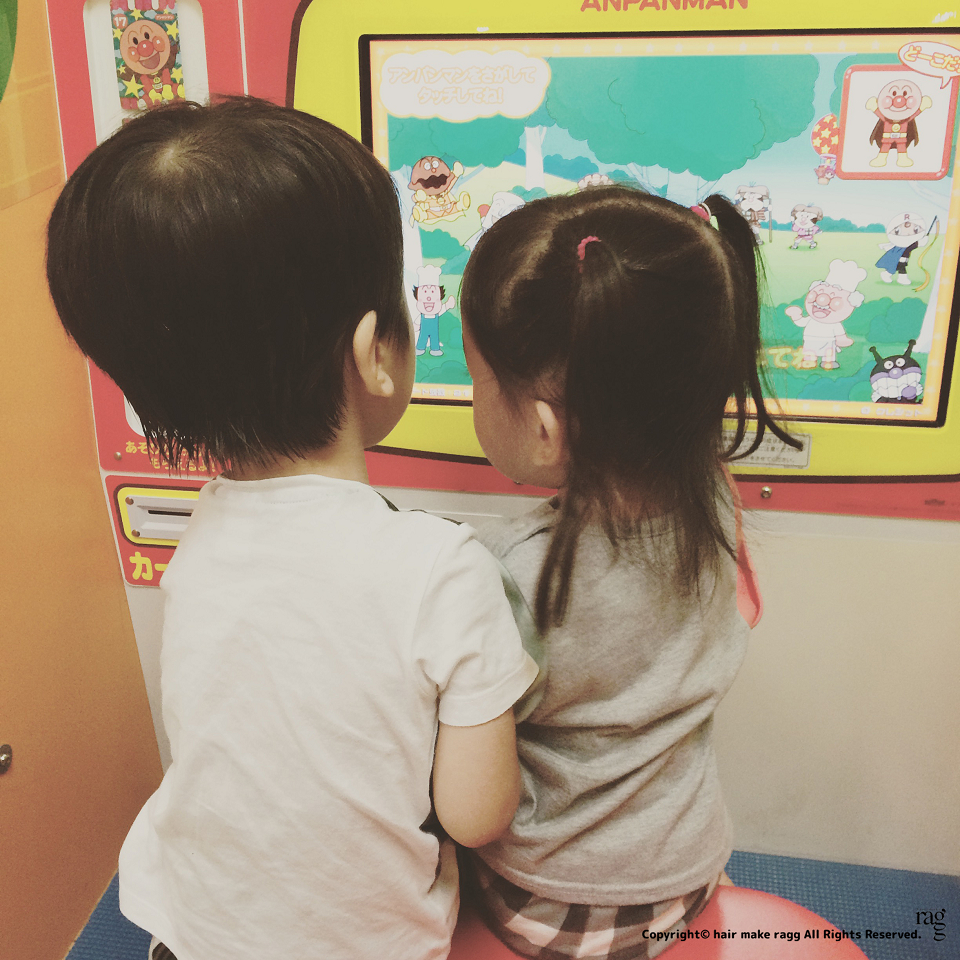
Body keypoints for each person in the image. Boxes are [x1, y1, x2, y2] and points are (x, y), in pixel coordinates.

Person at [46, 98, 538, 960]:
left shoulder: (201, 535)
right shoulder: (441, 567)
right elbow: (476, 814)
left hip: (187, 933)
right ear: (375, 351)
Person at [457, 186, 797, 959]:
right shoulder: (714, 496)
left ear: (545, 429)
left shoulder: (507, 571)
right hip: (686, 879)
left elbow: (472, 803)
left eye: (479, 379)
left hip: (551, 906)